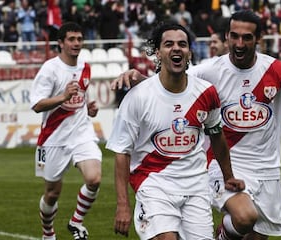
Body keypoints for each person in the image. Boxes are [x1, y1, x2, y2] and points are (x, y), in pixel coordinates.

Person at [111, 10, 281, 240]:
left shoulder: (278, 71)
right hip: (220, 165)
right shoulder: (211, 70)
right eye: (234, 36)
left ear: (259, 39)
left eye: (246, 37)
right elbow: (173, 84)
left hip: (268, 170)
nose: (239, 43)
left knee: (255, 234)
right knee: (245, 217)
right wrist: (141, 81)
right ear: (226, 37)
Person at [105, 22, 245, 240]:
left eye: (182, 44)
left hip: (196, 186)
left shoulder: (206, 93)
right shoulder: (138, 97)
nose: (176, 48)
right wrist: (122, 204)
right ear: (157, 53)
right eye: (168, 44)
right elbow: (122, 152)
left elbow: (217, 136)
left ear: (189, 52)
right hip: (154, 184)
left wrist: (228, 176)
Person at [30, 22, 102, 240]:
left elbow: (78, 99)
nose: (76, 43)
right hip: (53, 137)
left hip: (81, 133)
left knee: (94, 178)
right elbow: (36, 105)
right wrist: (62, 97)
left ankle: (76, 222)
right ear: (60, 43)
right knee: (52, 194)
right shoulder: (50, 69)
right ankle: (48, 233)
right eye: (71, 39)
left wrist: (88, 109)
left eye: (79, 39)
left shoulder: (85, 67)